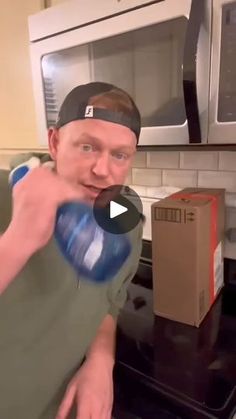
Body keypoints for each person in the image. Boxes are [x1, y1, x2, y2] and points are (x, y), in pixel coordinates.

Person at [0, 82, 143, 419]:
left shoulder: (123, 214)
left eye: (119, 155)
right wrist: (18, 241)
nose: (102, 170)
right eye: (87, 147)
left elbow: (110, 301)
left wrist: (101, 359)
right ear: (55, 142)